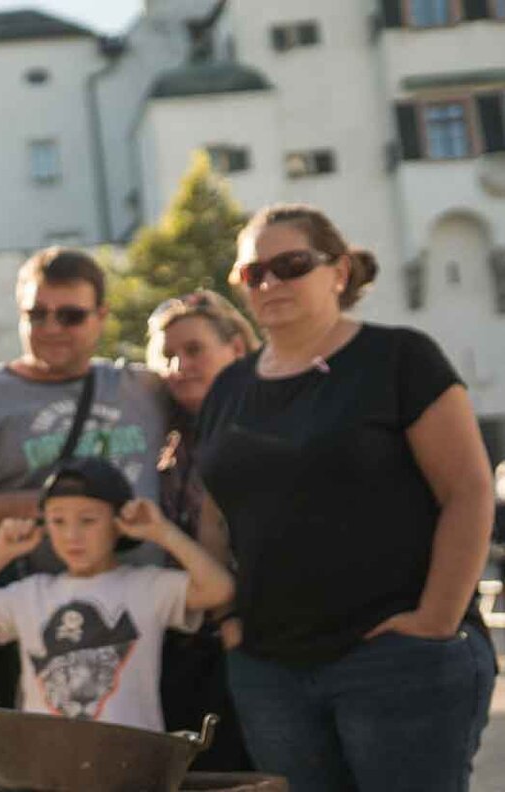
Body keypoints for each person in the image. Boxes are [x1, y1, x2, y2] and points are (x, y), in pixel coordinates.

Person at [196, 204, 496, 790]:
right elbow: (212, 516)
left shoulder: (398, 358)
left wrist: (436, 619)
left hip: (396, 658)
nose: (271, 283)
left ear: (339, 272)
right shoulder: (230, 387)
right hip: (269, 669)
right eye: (253, 273)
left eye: (291, 265)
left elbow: (469, 490)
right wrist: (227, 619)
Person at [0, 247, 171, 709]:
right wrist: (54, 506)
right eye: (37, 314)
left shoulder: (144, 388)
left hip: (154, 618)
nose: (51, 328)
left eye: (70, 315)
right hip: (42, 631)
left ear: (101, 316)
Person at [0, 458, 234, 730]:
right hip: (45, 764)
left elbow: (219, 589)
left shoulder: (148, 588)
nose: (71, 535)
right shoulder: (31, 594)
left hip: (132, 760)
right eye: (57, 521)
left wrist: (162, 532)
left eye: (88, 520)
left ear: (119, 523)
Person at [144, 290, 258, 770]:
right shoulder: (167, 440)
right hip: (185, 642)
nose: (179, 365)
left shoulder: (262, 423)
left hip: (258, 636)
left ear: (235, 349)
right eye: (168, 355)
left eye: (194, 350)